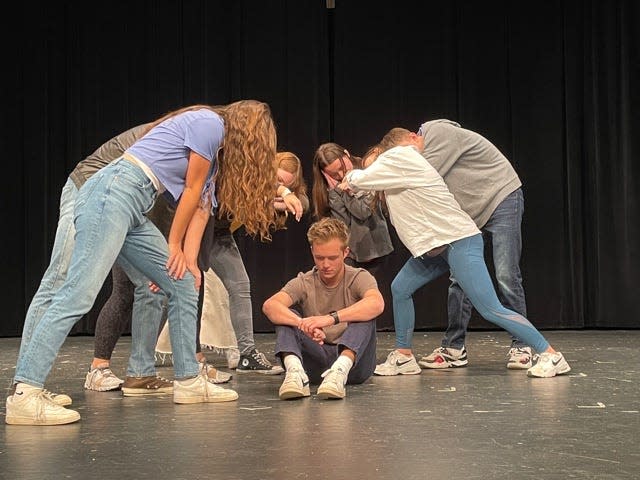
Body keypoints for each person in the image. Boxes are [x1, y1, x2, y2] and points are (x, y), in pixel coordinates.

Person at [6, 100, 279, 425]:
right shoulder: (209, 123)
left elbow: (202, 206)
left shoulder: (215, 157)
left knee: (182, 284)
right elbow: (190, 191)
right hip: (112, 192)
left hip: (133, 205)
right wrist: (174, 245)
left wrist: (189, 261)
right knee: (75, 295)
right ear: (246, 128)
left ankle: (189, 382)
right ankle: (25, 394)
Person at [341, 142, 571, 379]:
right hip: (436, 247)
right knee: (400, 288)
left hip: (459, 241)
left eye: (377, 166)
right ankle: (404, 356)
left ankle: (551, 355)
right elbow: (365, 186)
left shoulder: (400, 156)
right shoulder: (394, 178)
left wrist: (352, 176)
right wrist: (350, 184)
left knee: (490, 308)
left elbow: (362, 179)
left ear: (386, 155)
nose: (376, 173)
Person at [380, 121, 533, 370]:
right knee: (459, 278)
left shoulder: (437, 133)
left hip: (500, 198)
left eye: (404, 152)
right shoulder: (417, 152)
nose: (405, 159)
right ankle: (454, 347)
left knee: (506, 274)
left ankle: (521, 345)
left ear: (413, 136)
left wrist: (368, 178)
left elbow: (420, 174)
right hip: (469, 215)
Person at [153, 151, 310, 375]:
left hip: (220, 235)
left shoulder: (278, 193)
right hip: (194, 228)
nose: (279, 185)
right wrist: (280, 193)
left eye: (285, 183)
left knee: (240, 285)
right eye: (277, 179)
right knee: (176, 288)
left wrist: (285, 199)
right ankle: (148, 350)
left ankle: (247, 353)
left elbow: (303, 200)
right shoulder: (244, 175)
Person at [262, 217, 385, 400]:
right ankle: (295, 373)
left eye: (332, 258)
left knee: (365, 314)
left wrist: (329, 319)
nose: (325, 264)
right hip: (317, 360)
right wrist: (303, 324)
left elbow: (377, 303)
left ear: (345, 253)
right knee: (287, 317)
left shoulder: (359, 277)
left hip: (354, 365)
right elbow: (270, 305)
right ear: (312, 252)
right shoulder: (305, 281)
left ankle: (339, 372)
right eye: (320, 258)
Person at [311, 143, 393, 280]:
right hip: (352, 254)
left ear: (346, 154)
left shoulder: (367, 171)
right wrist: (336, 192)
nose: (340, 175)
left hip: (377, 248)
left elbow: (363, 212)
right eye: (333, 174)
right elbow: (342, 223)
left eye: (341, 168)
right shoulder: (333, 189)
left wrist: (346, 193)